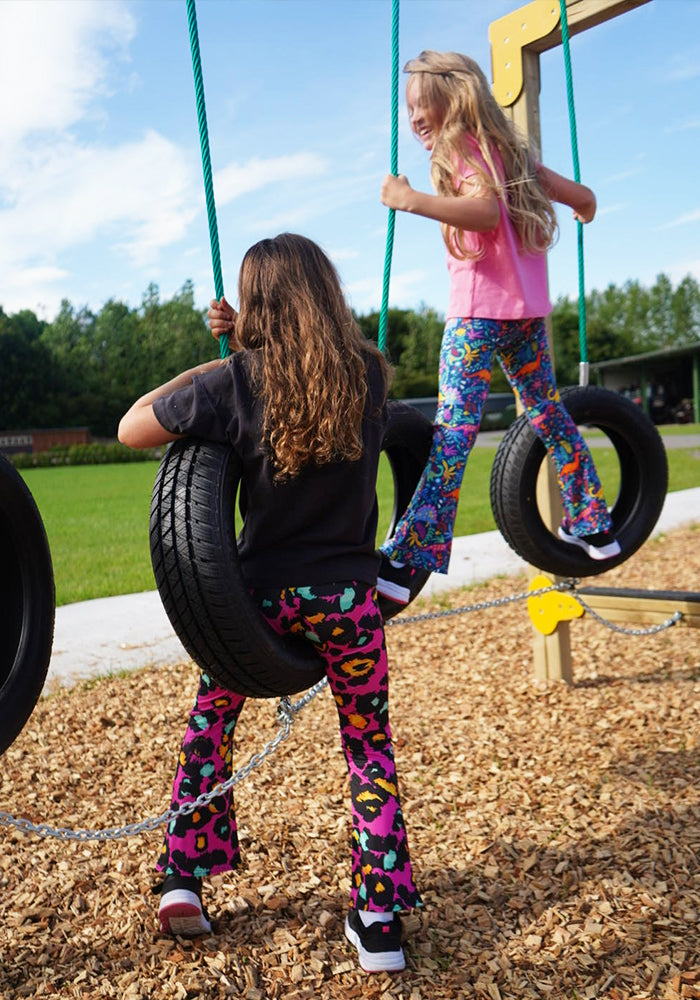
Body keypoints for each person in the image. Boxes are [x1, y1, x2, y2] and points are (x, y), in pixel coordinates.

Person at [118, 233, 421, 973]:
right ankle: (379, 920)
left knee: (209, 727)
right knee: (368, 749)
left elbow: (132, 428)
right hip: (350, 601)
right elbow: (424, 439)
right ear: (327, 292)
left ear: (253, 306)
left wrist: (218, 359)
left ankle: (183, 880)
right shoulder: (370, 377)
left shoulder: (234, 383)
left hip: (254, 608)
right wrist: (402, 569)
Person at [376, 50, 620, 607]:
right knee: (549, 416)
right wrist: (582, 209)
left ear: (452, 95)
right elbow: (584, 198)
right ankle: (594, 525)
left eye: (420, 104)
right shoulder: (515, 153)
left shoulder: (462, 146)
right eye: (408, 109)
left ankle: (407, 560)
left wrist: (411, 200)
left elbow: (484, 212)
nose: (413, 118)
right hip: (526, 316)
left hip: (477, 316)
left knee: (454, 434)